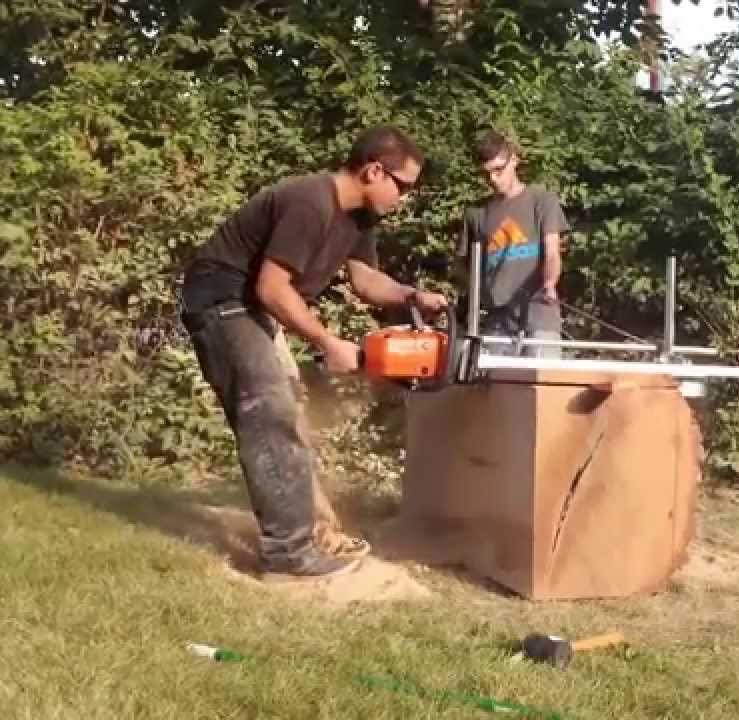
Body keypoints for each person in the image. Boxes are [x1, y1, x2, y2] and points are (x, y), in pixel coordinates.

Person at [177, 126, 448, 579]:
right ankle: (286, 556)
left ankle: (312, 532)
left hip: (251, 305)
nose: (404, 198)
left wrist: (411, 295)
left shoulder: (358, 217)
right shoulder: (310, 201)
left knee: (291, 414)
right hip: (223, 300)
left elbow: (364, 281)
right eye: (402, 186)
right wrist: (326, 342)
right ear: (373, 170)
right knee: (270, 412)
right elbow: (271, 288)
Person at [458, 130, 569, 358]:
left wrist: (549, 284)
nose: (493, 179)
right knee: (496, 391)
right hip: (496, 322)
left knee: (540, 388)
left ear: (514, 160)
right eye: (486, 173)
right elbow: (464, 268)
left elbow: (552, 253)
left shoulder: (542, 201)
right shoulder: (475, 213)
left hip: (539, 315)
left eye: (499, 170)